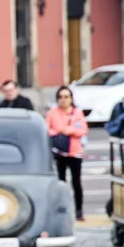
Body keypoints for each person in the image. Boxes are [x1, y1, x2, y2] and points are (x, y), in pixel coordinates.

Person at [46, 85, 88, 221]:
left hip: (74, 152)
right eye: (60, 97)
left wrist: (71, 130)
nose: (63, 100)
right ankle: (62, 210)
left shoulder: (77, 112)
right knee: (61, 182)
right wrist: (58, 131)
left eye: (66, 97)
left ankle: (79, 211)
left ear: (71, 98)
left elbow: (83, 130)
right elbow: (47, 129)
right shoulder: (53, 112)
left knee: (76, 182)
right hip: (60, 151)